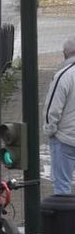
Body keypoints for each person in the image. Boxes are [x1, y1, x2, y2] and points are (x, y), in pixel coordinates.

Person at [44, 37, 75, 194]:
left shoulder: (64, 75)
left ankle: (66, 219)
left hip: (65, 138)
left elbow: (53, 109)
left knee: (62, 184)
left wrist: (50, 131)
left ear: (65, 54)